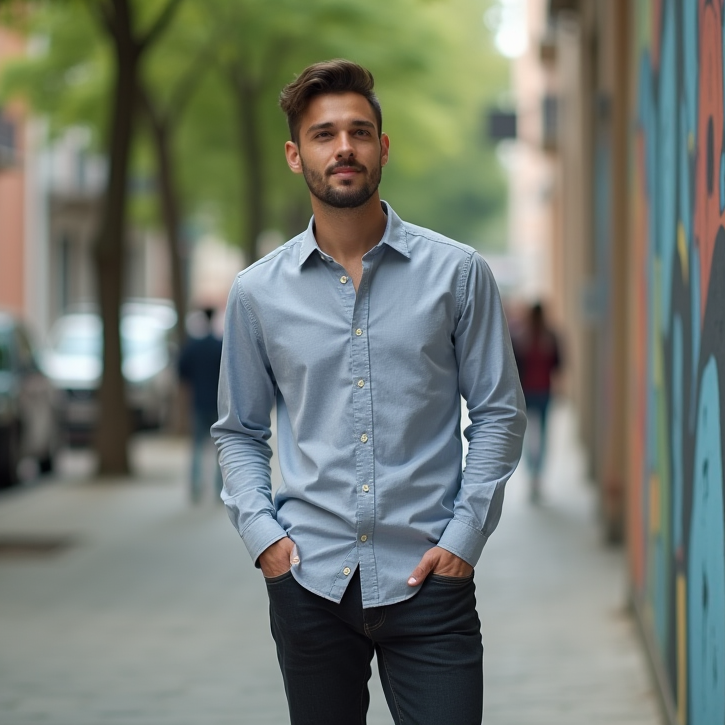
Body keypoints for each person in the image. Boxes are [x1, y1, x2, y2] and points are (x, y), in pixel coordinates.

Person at [213, 59, 527, 725]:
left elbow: (499, 413)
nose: (344, 147)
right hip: (309, 582)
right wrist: (265, 538)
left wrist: (465, 537)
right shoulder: (256, 293)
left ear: (383, 148)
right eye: (324, 135)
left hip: (430, 581)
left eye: (359, 131)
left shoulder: (459, 275)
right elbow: (239, 430)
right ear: (297, 156)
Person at [510, 302, 562, 502]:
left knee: (526, 436)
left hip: (528, 393)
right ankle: (536, 475)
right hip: (542, 392)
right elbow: (559, 364)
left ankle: (533, 474)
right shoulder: (548, 337)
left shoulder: (521, 338)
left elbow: (513, 367)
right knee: (541, 435)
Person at [177, 307, 224, 503]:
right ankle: (219, 490)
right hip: (219, 404)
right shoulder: (219, 345)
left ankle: (196, 489)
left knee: (197, 447)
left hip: (198, 403)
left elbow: (181, 371)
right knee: (220, 449)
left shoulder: (193, 346)